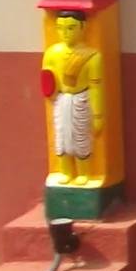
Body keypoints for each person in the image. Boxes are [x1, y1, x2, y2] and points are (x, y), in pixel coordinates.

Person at [42, 11, 105, 188]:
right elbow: (47, 80)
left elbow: (96, 87)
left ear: (82, 27)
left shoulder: (92, 57)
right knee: (61, 136)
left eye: (71, 28)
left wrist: (98, 115)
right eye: (61, 28)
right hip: (61, 99)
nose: (66, 33)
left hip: (81, 100)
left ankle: (83, 171)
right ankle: (66, 171)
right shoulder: (52, 53)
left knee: (80, 136)